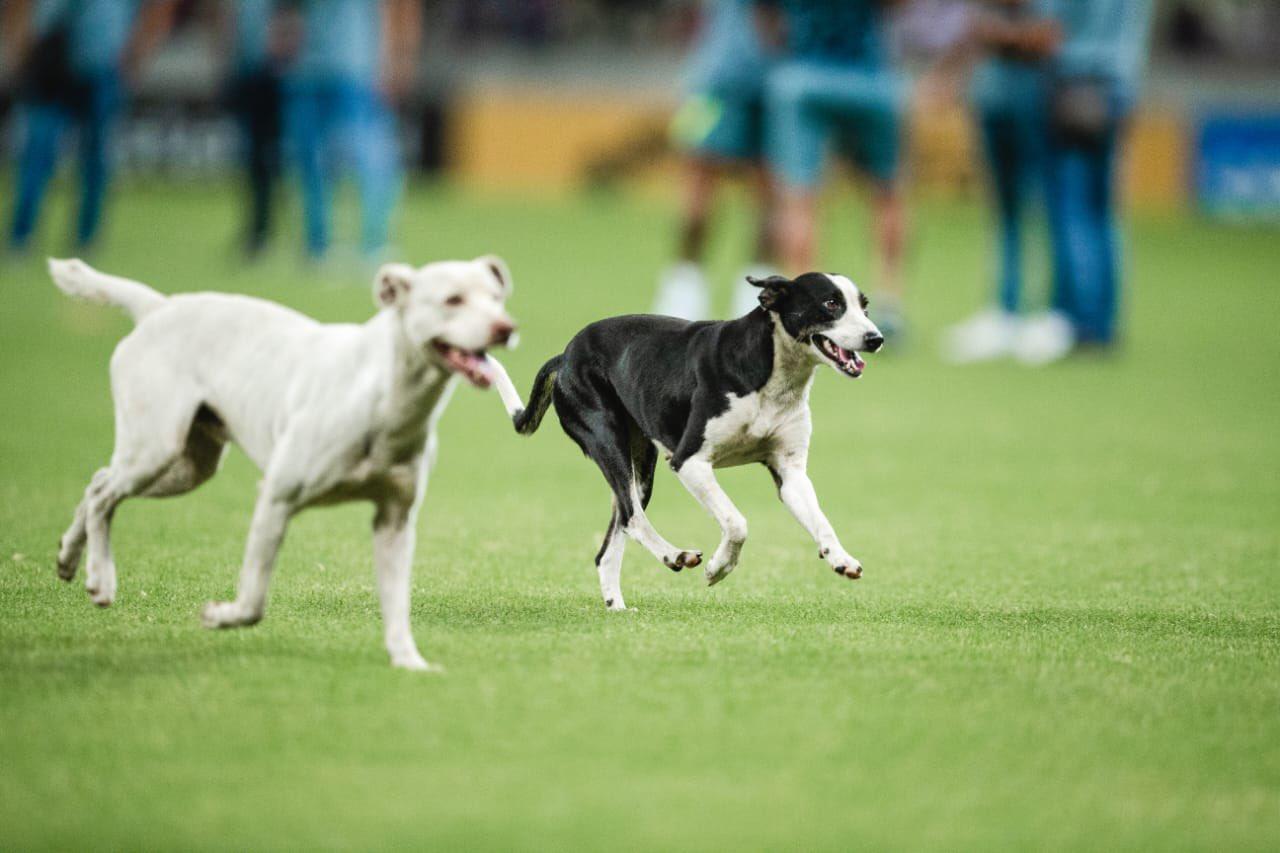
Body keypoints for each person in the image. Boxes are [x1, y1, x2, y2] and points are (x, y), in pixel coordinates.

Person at [760, 0, 910, 339]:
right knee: (887, 192)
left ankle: (802, 304)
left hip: (804, 74)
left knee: (799, 196)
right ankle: (889, 304)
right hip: (870, 78)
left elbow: (766, 18)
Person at [1023, 0, 1154, 363]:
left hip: (1075, 87)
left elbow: (1049, 27)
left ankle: (1077, 322)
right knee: (1102, 209)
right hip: (1118, 86)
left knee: (1071, 209)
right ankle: (1103, 321)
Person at [4, 0, 177, 254]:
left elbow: (158, 9)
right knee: (37, 153)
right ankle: (21, 236)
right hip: (52, 63)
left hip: (102, 67)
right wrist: (20, 51)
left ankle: (86, 239)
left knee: (95, 159)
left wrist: (138, 52)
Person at [942, 0, 1062, 364]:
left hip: (1037, 101)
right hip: (994, 99)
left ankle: (1050, 314)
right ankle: (1005, 312)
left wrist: (998, 32)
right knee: (1004, 211)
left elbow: (1046, 36)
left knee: (1047, 210)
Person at [654, 0, 778, 321]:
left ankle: (688, 290)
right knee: (761, 194)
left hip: (717, 77)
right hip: (743, 80)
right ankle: (691, 289)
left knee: (708, 188)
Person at [284, 0, 421, 264]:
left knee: (369, 156)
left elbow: (399, 9)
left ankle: (374, 242)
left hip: (358, 69)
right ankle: (318, 244)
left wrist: (396, 60)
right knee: (312, 160)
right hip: (309, 69)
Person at [217, 0, 290, 259]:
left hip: (274, 76)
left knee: (272, 160)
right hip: (246, 73)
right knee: (254, 161)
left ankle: (276, 232)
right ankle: (257, 231)